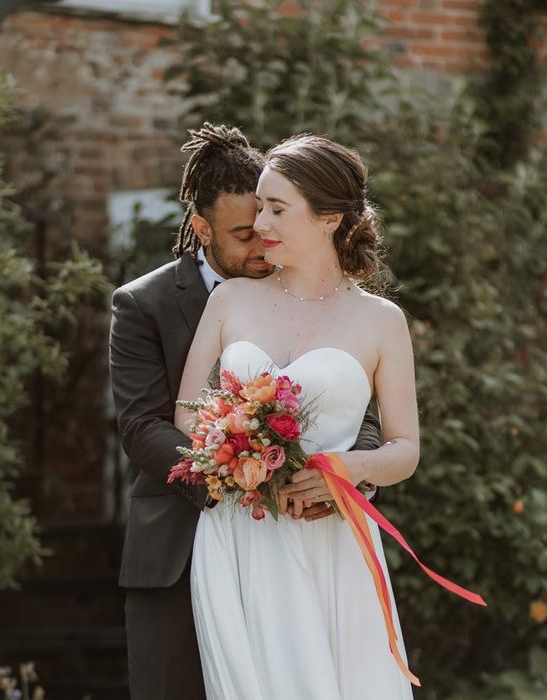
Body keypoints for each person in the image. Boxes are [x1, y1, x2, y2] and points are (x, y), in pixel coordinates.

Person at [109, 124, 383, 700]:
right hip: (177, 549)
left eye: (267, 217)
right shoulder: (145, 303)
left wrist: (338, 479)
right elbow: (141, 425)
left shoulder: (311, 294)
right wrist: (238, 474)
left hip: (298, 546)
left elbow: (348, 403)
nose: (262, 242)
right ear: (202, 228)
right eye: (243, 232)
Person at [176, 134, 419, 699]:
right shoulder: (231, 300)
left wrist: (344, 468)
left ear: (330, 218)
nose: (261, 221)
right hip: (240, 537)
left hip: (331, 542)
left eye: (277, 208)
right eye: (261, 206)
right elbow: (187, 419)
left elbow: (404, 449)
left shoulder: (381, 321)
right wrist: (240, 453)